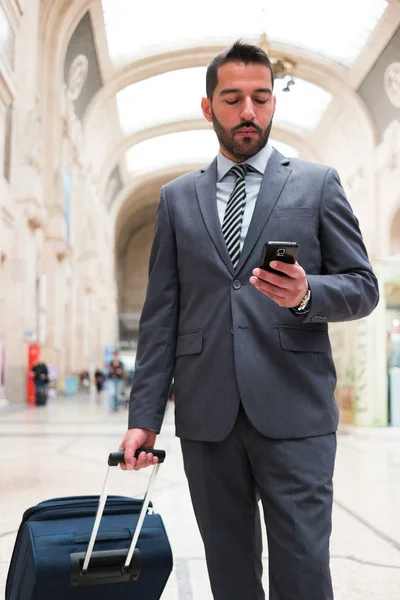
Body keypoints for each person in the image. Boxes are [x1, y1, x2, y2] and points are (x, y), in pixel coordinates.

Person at [119, 40, 379, 600]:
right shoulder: (175, 199)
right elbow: (161, 316)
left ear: (272, 105)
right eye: (233, 99)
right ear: (208, 107)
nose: (249, 112)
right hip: (207, 418)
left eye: (261, 98)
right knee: (230, 574)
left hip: (296, 412)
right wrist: (145, 416)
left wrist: (308, 293)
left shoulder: (317, 183)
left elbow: (362, 288)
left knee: (304, 571)